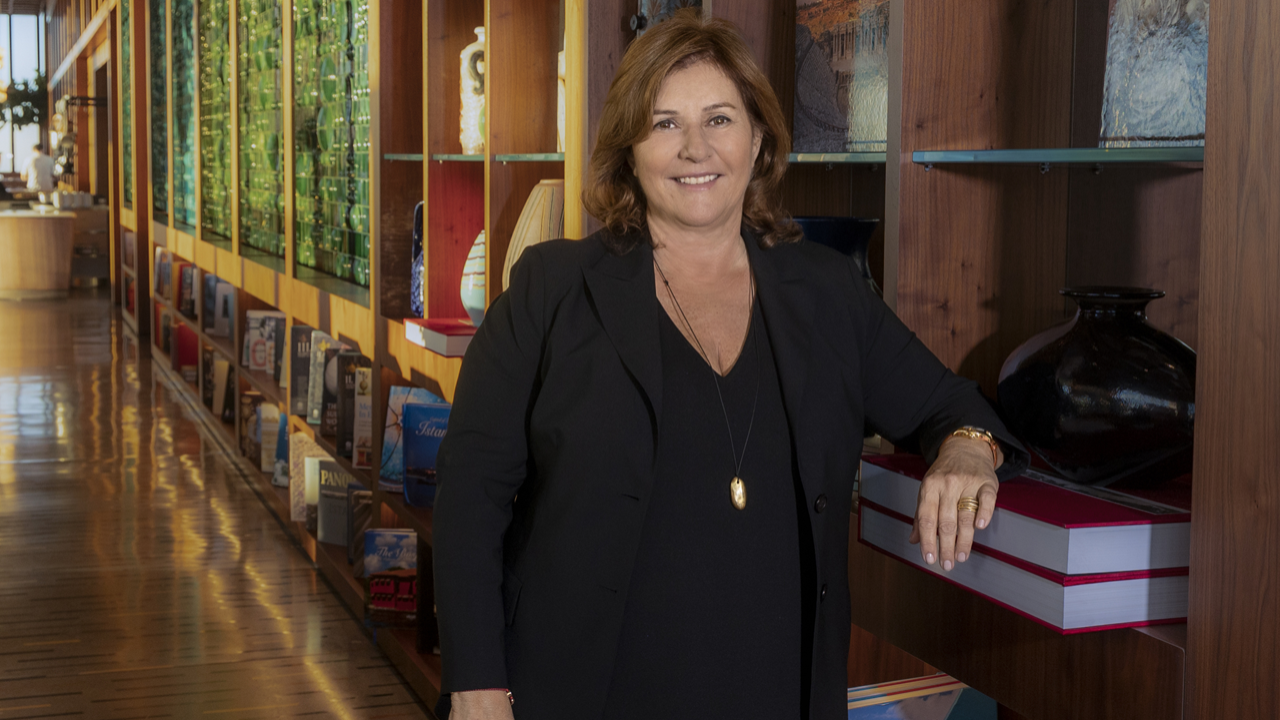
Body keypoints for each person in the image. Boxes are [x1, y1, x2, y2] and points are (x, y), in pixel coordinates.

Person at [433, 10, 1028, 720]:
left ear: (759, 140)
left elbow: (951, 404)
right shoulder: (551, 288)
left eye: (719, 119)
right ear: (628, 150)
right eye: (664, 124)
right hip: (582, 692)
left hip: (776, 692)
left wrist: (968, 449)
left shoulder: (827, 293)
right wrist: (476, 685)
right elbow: (470, 493)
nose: (695, 148)